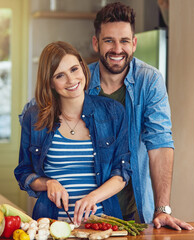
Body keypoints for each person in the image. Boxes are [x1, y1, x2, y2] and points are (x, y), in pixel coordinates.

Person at [87, 2, 193, 230]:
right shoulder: (80, 81)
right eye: (109, 40)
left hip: (135, 207)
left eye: (124, 41)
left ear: (134, 44)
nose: (117, 49)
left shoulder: (150, 80)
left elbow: (160, 142)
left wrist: (162, 208)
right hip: (87, 208)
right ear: (96, 43)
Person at [14, 41, 131, 225]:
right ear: (50, 82)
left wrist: (93, 197)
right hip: (50, 226)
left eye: (74, 69)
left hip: (103, 225)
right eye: (60, 75)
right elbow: (23, 172)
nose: (71, 80)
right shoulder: (34, 116)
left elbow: (122, 172)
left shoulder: (113, 112)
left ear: (83, 68)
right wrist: (48, 183)